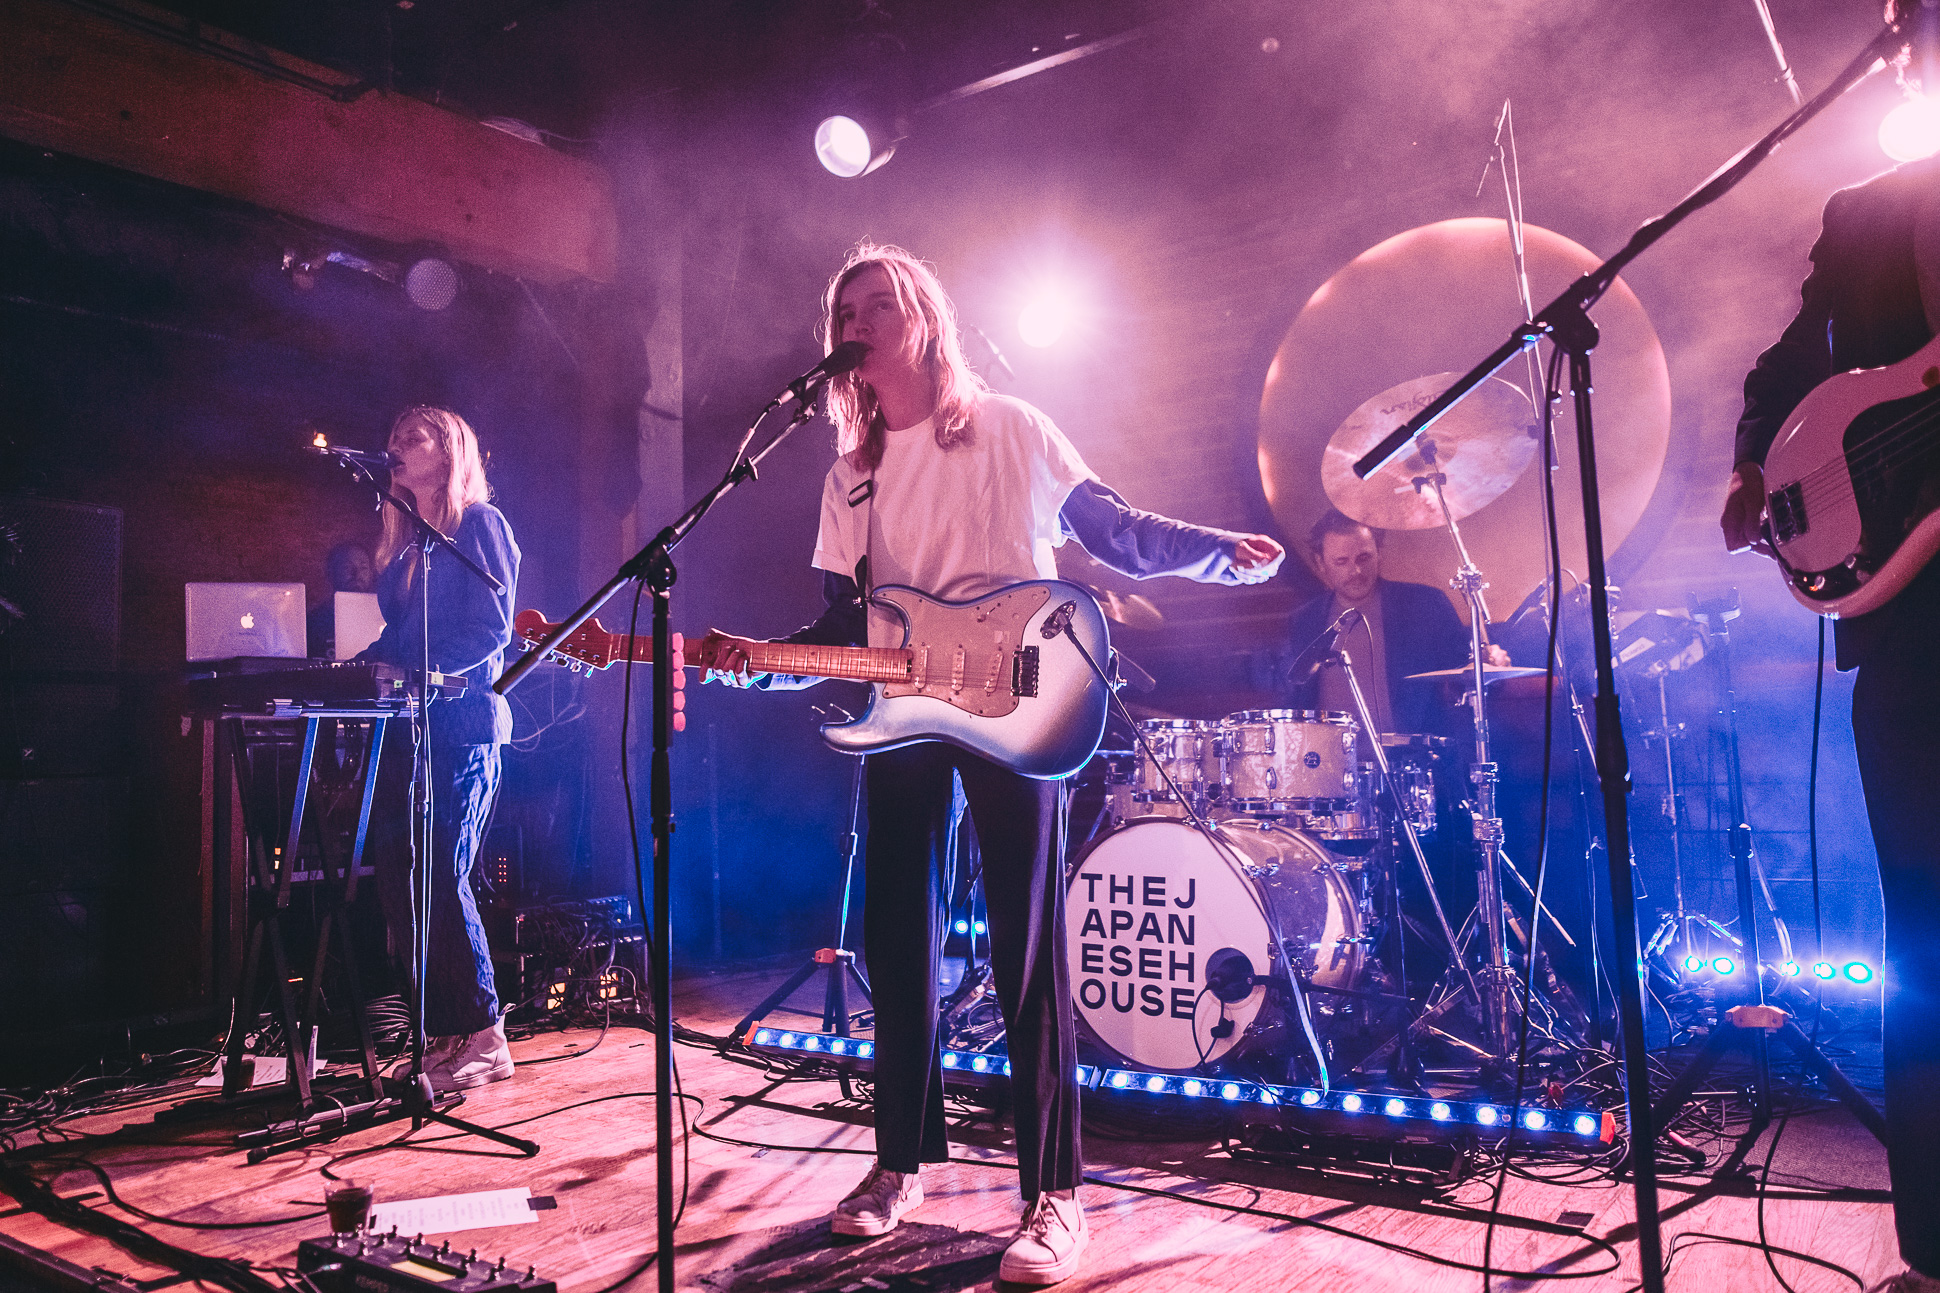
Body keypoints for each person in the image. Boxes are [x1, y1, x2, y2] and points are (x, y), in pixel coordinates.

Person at [699, 244, 1284, 1286]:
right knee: (896, 936)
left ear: (925, 318)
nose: (864, 317)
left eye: (882, 301)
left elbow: (1116, 532)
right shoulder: (851, 473)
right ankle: (897, 1165)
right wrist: (762, 667)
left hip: (1025, 692)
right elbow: (841, 624)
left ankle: (1053, 1196)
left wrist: (1211, 546)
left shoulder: (1011, 427)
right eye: (847, 307)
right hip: (906, 705)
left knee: (1021, 941)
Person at [1722, 69, 1940, 1291]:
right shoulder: (1864, 210)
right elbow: (1781, 366)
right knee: (1922, 932)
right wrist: (1758, 461)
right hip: (1908, 625)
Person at [358, 406, 521, 1093]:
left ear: (450, 449)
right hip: (409, 729)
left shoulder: (479, 526)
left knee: (440, 873)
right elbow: (398, 639)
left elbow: (493, 624)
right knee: (402, 875)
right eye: (392, 436)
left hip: (461, 725)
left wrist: (424, 672)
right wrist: (351, 668)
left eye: (412, 436)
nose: (394, 445)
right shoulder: (407, 545)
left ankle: (485, 1035)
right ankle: (446, 1030)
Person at [1283, 510, 1502, 735]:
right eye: (1341, 562)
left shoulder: (1424, 604)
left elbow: (1463, 674)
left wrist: (1486, 664)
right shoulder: (1305, 620)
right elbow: (1295, 697)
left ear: (1379, 553)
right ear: (1320, 563)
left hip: (1412, 760)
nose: (1355, 571)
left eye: (1364, 557)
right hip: (1330, 761)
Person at [307, 540, 375, 659]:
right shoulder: (314, 623)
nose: (357, 574)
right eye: (347, 567)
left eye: (363, 567)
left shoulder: (384, 620)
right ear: (330, 572)